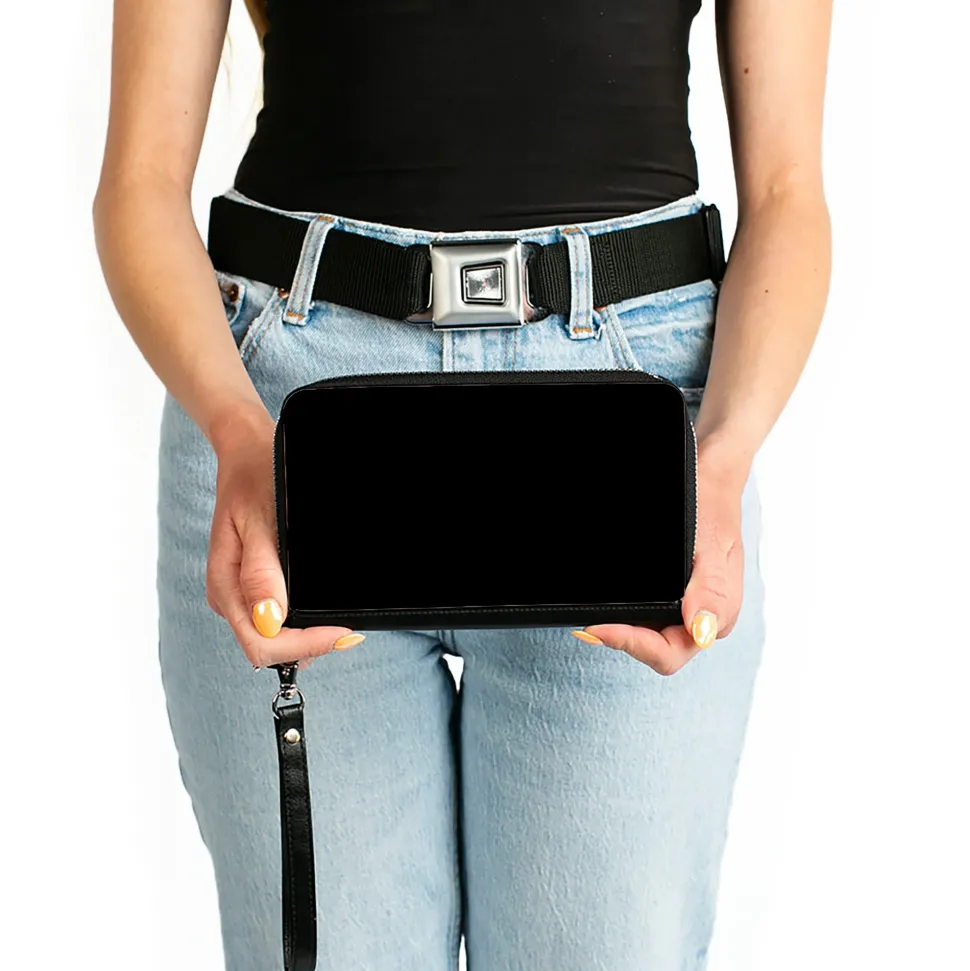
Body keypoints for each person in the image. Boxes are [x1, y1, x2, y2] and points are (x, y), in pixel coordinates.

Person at [92, 0, 832, 968]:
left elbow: (787, 193)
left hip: (622, 436)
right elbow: (139, 184)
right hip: (288, 430)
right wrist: (238, 433)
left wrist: (722, 457)